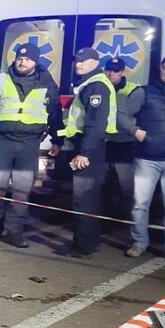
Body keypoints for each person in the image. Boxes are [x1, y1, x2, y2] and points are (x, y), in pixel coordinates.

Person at [0, 43, 63, 248]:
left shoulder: (47, 83)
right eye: (20, 58)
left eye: (28, 59)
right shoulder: (1, 79)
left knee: (22, 191)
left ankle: (14, 231)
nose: (22, 62)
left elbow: (56, 115)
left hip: (29, 144)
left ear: (36, 61)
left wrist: (58, 141)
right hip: (2, 142)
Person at [57, 47, 116, 257]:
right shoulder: (89, 84)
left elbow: (95, 124)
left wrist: (85, 153)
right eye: (76, 61)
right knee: (88, 198)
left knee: (84, 198)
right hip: (85, 145)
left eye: (83, 61)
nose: (78, 64)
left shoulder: (97, 85)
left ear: (95, 62)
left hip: (89, 146)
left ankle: (83, 246)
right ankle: (89, 242)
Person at [127, 55, 165, 257]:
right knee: (140, 204)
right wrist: (136, 132)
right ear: (160, 69)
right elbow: (121, 114)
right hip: (147, 159)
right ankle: (139, 243)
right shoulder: (144, 92)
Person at [103, 57, 145, 218]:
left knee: (126, 186)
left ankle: (125, 220)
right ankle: (105, 218)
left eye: (115, 70)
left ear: (122, 71)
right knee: (101, 185)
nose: (111, 73)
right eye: (108, 69)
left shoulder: (133, 90)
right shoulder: (100, 87)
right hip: (103, 142)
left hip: (124, 143)